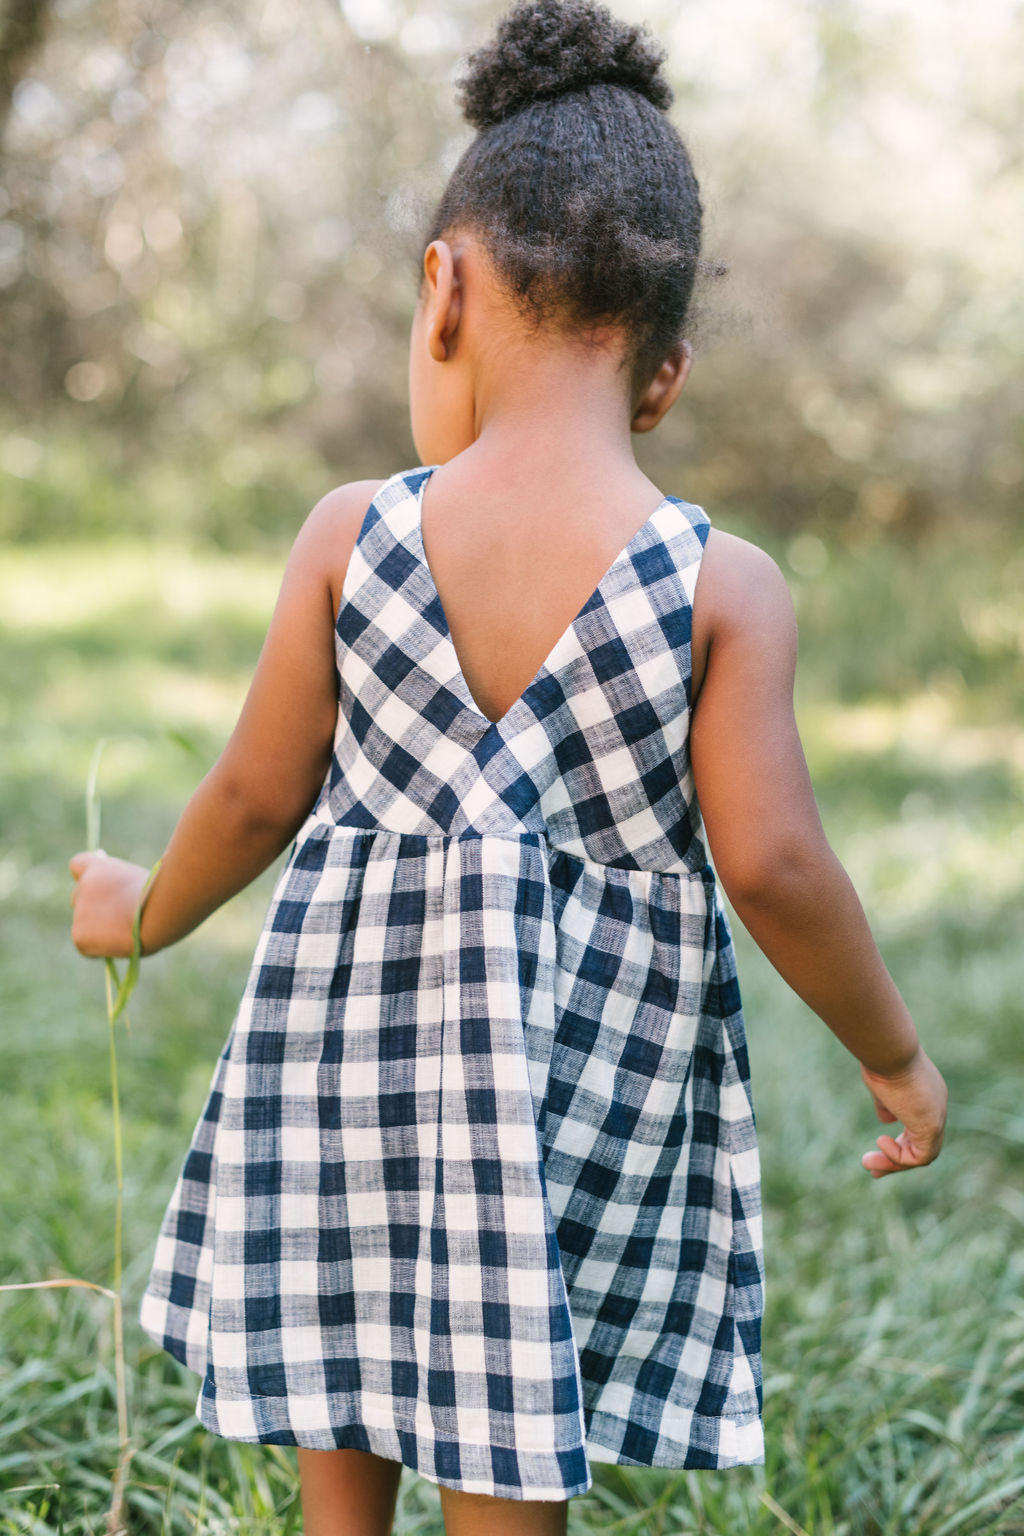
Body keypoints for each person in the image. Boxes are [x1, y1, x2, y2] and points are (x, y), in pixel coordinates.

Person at [68, 0, 949, 1532]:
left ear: (444, 291)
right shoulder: (720, 586)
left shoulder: (352, 532)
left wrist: (142, 909)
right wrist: (894, 1054)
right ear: (666, 373)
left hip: (350, 1086)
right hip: (571, 1096)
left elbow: (257, 797)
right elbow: (776, 865)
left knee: (343, 1384)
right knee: (505, 1416)